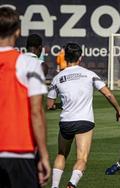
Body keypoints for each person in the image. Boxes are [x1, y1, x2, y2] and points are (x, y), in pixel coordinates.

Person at [47, 43, 120, 188]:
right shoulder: (90, 74)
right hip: (84, 122)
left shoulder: (57, 77)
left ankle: (54, 186)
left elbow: (50, 105)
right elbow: (108, 94)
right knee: (81, 158)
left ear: (64, 57)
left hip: (66, 122)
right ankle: (72, 184)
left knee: (61, 154)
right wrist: (118, 110)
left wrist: (61, 105)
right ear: (80, 57)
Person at [0, 7, 50, 187]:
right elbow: (36, 112)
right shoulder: (29, 64)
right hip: (19, 150)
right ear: (18, 31)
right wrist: (44, 155)